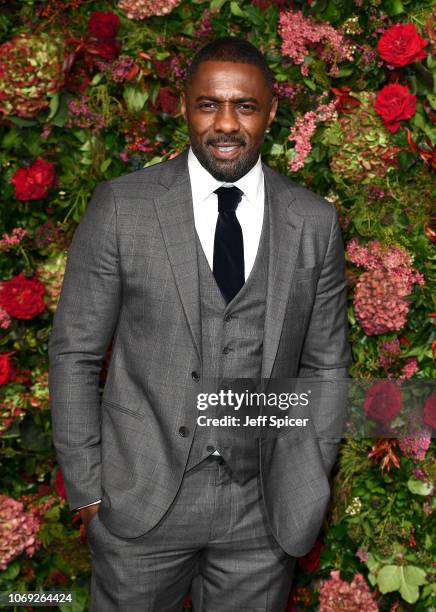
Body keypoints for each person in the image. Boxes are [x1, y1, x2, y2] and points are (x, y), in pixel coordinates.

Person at [48, 36, 351, 611]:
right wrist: (89, 486)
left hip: (263, 514)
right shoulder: (123, 207)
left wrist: (308, 467)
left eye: (245, 106)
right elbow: (75, 353)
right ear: (184, 105)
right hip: (141, 499)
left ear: (271, 113)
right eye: (209, 104)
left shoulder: (314, 221)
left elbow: (326, 364)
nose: (226, 124)